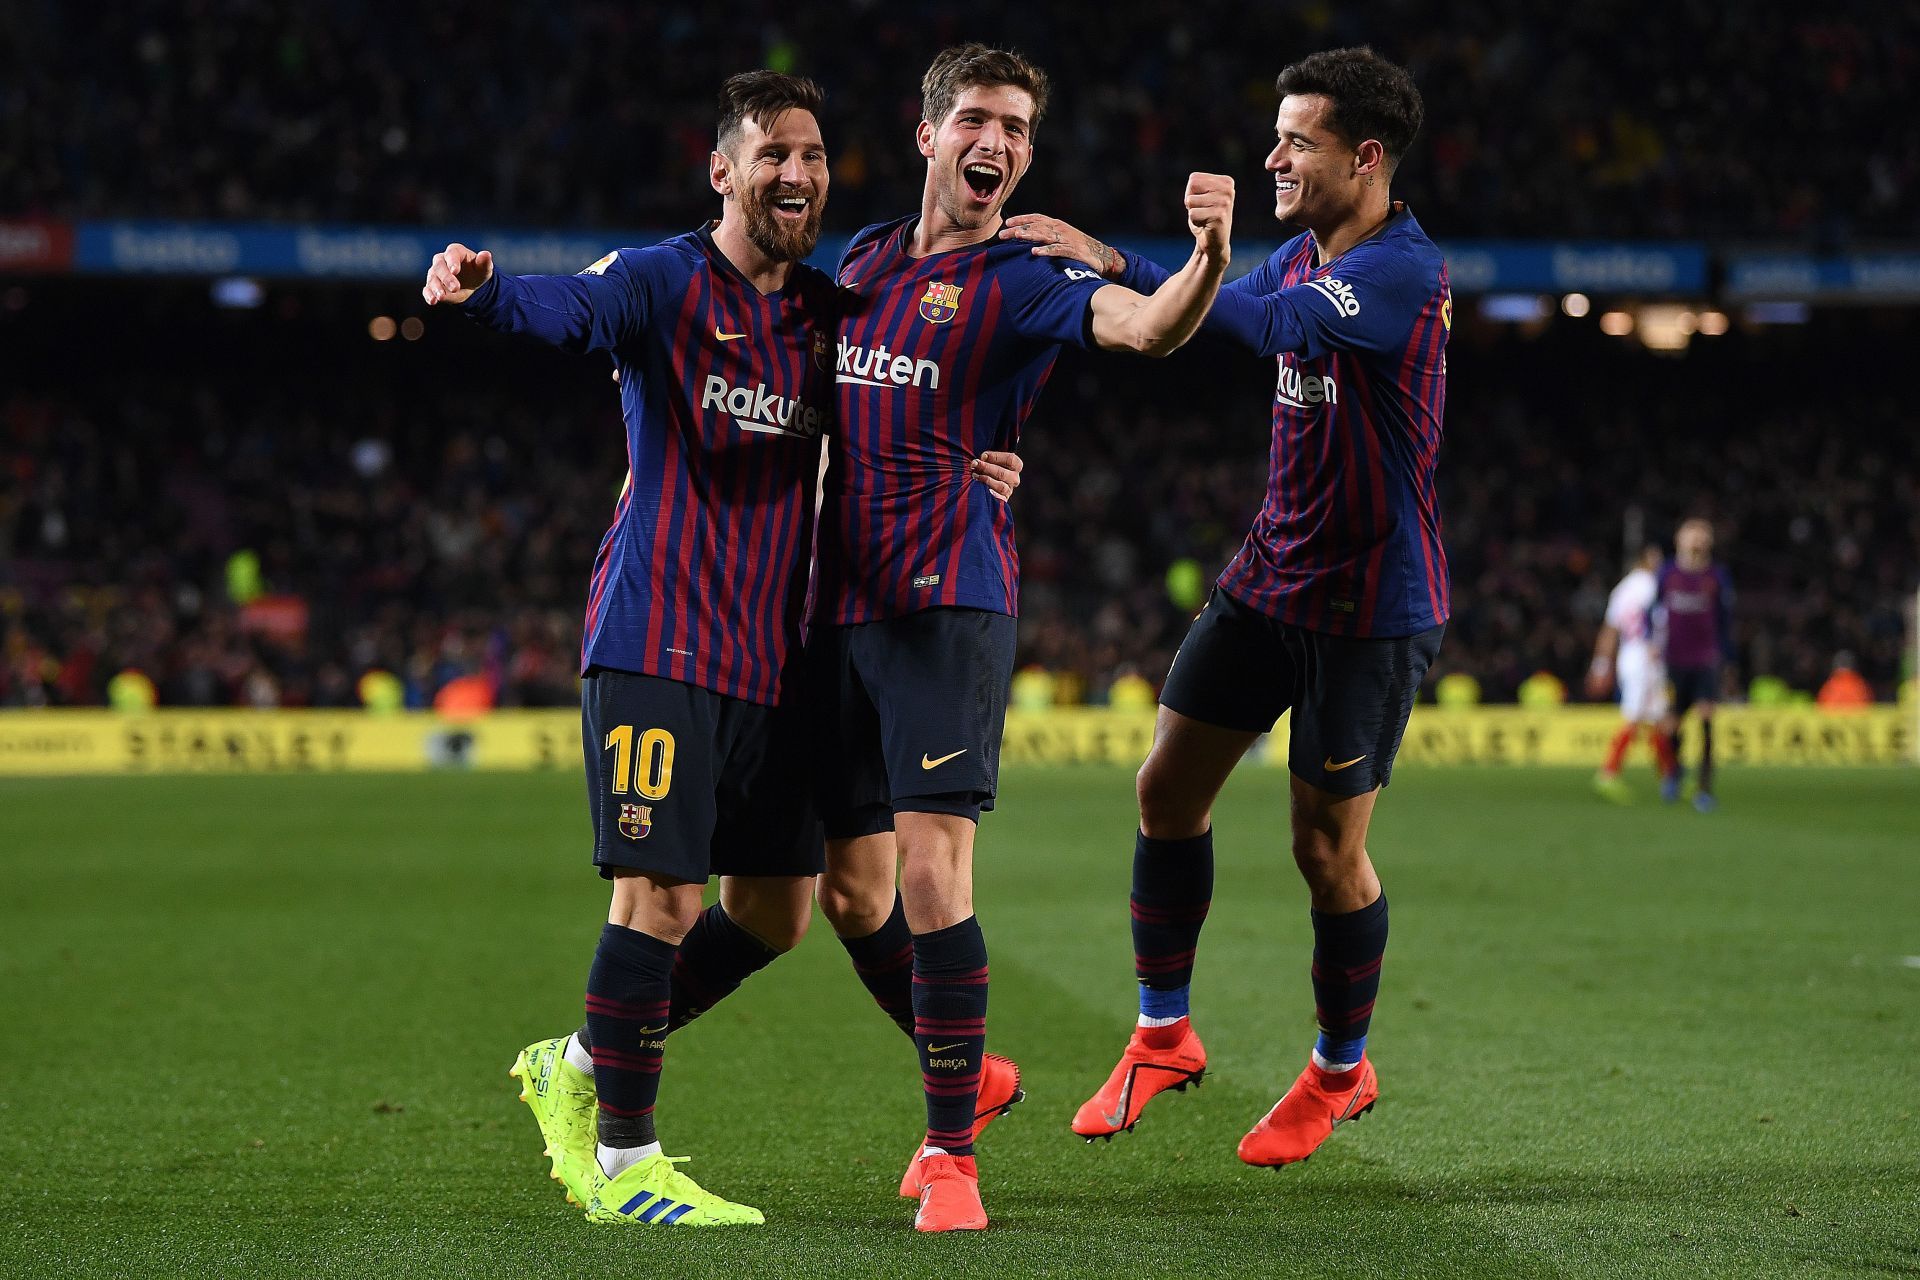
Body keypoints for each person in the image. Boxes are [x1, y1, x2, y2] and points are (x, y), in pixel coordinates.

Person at [421, 72, 1025, 1228]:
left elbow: (914, 397)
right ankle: (625, 1161)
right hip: (658, 637)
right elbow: (565, 310)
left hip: (774, 656)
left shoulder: (827, 309)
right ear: (723, 172)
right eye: (771, 155)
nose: (795, 173)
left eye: (810, 155)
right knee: (656, 891)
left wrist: (982, 461)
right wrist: (485, 291)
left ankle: (583, 1059)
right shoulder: (661, 281)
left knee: (778, 907)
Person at [803, 42, 1234, 1232]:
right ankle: (976, 1070)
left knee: (933, 874)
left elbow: (1147, 330)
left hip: (950, 599)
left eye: (1018, 131)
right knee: (850, 891)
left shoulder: (1031, 271)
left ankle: (951, 1153)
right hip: (836, 604)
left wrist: (1200, 261)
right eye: (979, 122)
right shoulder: (870, 256)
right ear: (930, 131)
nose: (998, 145)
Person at [1003, 45, 1448, 1168]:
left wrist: (1160, 255)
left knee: (1325, 850)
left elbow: (1254, 323)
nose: (1273, 157)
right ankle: (1164, 1032)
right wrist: (1120, 261)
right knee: (1165, 787)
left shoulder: (1400, 273)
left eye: (1296, 140)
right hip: (1266, 578)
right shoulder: (1304, 253)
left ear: (1366, 154)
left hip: (1367, 606)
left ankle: (1342, 1070)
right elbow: (1211, 310)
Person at [1587, 544, 1680, 802]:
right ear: (1646, 559)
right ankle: (1608, 774)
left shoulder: (1621, 589)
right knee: (1637, 715)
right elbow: (1661, 623)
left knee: (1657, 716)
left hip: (1629, 654)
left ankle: (1671, 778)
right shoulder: (1652, 585)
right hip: (1647, 655)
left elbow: (1610, 629)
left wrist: (1601, 666)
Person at [1657, 518, 1733, 810]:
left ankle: (1704, 788)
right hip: (1674, 660)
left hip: (1706, 659)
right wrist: (1653, 645)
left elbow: (1726, 620)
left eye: (1703, 535)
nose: (1697, 540)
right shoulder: (1668, 574)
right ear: (1679, 539)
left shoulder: (1717, 576)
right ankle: (1675, 772)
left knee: (1705, 717)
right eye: (1692, 534)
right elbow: (1655, 611)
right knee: (1672, 724)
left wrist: (1727, 660)